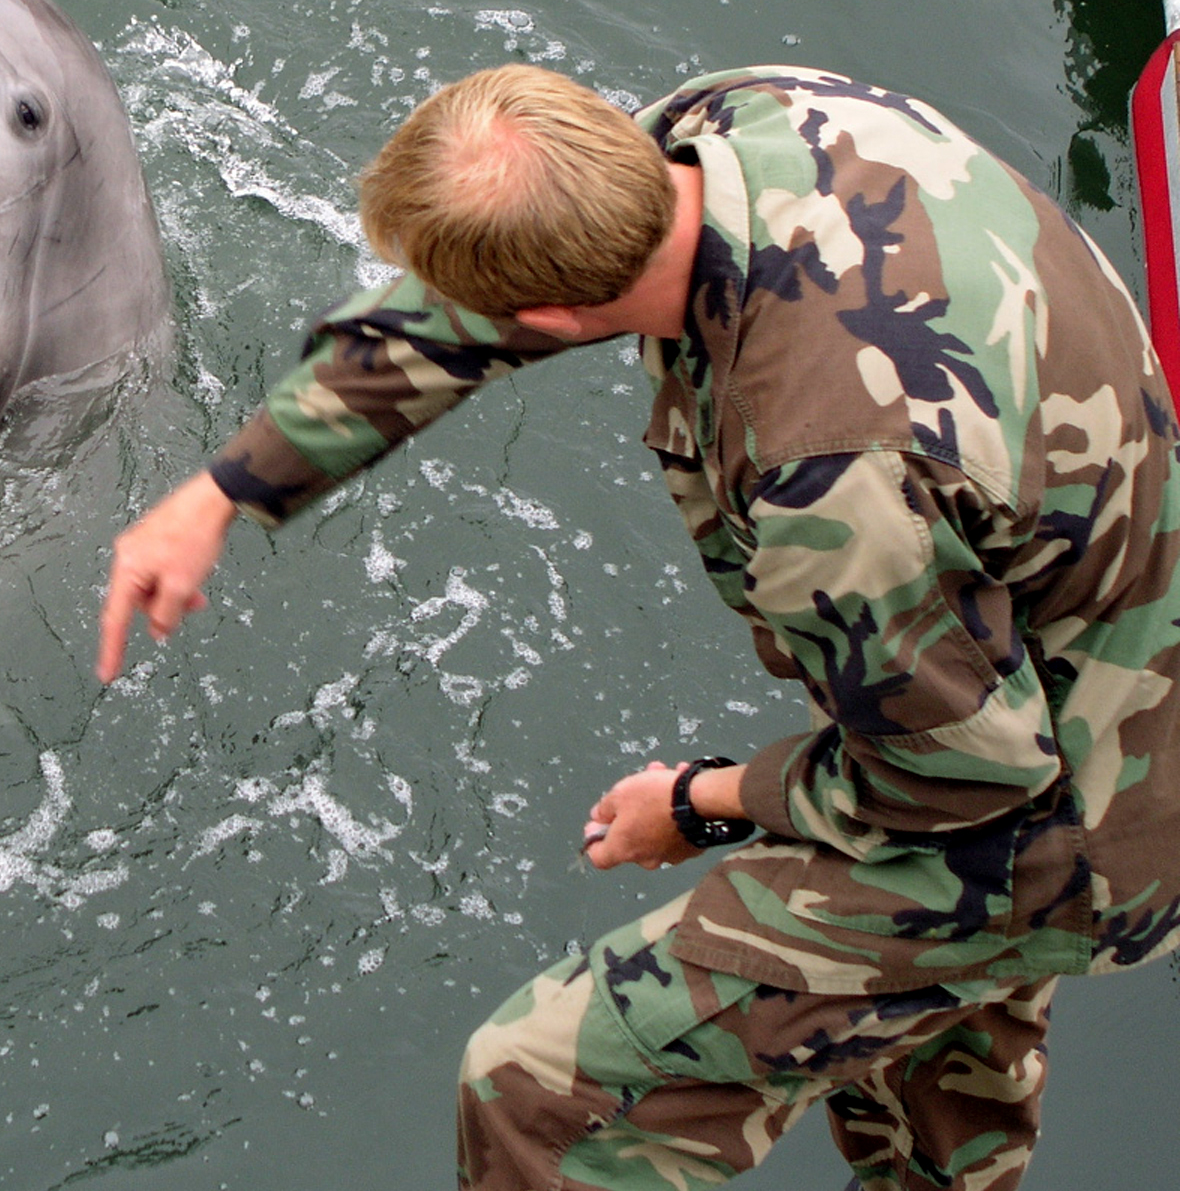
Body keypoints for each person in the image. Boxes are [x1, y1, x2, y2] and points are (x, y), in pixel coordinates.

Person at [94, 64, 1180, 1190]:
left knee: (541, 1090)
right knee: (925, 1033)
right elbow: (477, 297)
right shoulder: (742, 122)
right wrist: (224, 490)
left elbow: (960, 789)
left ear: (557, 321)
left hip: (1068, 831)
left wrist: (701, 803)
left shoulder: (830, 479)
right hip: (1079, 653)